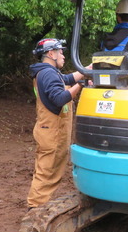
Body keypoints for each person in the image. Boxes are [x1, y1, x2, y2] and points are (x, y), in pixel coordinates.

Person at [27, 38, 86, 209]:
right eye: (60, 52)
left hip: (50, 130)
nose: (63, 55)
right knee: (47, 172)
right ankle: (35, 209)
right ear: (51, 54)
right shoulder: (48, 73)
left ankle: (38, 206)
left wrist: (85, 70)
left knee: (50, 170)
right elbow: (60, 98)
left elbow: (66, 79)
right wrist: (80, 85)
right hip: (51, 132)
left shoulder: (48, 72)